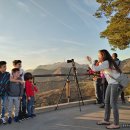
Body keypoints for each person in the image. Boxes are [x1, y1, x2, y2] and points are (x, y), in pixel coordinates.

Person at [87, 49, 121, 129]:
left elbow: (95, 69)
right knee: (107, 102)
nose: (98, 56)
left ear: (103, 55)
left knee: (113, 103)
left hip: (115, 83)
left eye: (99, 55)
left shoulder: (107, 62)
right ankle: (106, 120)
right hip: (111, 83)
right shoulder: (107, 62)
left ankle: (116, 124)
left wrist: (90, 61)